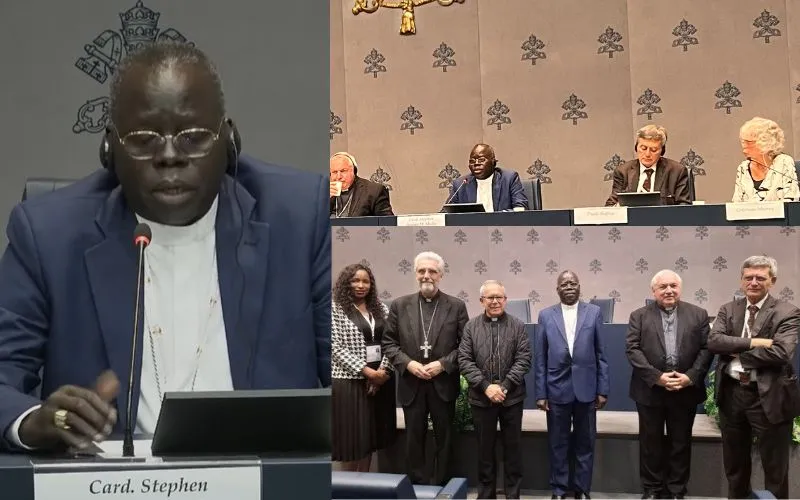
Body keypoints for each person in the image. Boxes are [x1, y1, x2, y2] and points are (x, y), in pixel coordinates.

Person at [0, 42, 331, 453]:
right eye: (143, 138)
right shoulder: (49, 233)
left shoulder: (298, 219)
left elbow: (346, 378)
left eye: (193, 137)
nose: (170, 156)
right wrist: (34, 422)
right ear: (109, 148)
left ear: (229, 140)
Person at [708, 256, 800, 499]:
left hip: (769, 397)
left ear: (772, 281)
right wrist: (756, 342)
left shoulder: (787, 311)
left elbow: (781, 351)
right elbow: (714, 341)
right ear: (741, 280)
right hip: (732, 395)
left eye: (761, 278)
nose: (754, 282)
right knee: (735, 466)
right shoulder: (728, 309)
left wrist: (737, 354)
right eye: (749, 277)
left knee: (775, 469)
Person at [382, 251, 468, 486]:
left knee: (446, 439)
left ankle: (443, 485)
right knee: (413, 439)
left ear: (441, 275)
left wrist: (442, 364)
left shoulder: (456, 306)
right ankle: (416, 486)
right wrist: (408, 364)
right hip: (413, 384)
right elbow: (389, 343)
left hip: (443, 384)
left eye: (432, 271)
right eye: (422, 271)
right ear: (415, 274)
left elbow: (465, 346)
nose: (426, 275)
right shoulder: (400, 305)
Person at [625, 270, 713, 499]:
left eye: (673, 285)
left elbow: (706, 349)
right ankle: (652, 489)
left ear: (680, 288)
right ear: (653, 291)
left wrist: (691, 376)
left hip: (685, 390)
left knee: (680, 442)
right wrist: (657, 377)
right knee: (650, 443)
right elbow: (632, 350)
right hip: (650, 390)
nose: (668, 290)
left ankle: (676, 490)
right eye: (662, 286)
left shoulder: (699, 314)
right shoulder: (639, 316)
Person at [535, 270, 609, 500]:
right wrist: (541, 392)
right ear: (557, 289)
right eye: (564, 284)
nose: (569, 287)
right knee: (558, 443)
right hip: (556, 388)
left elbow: (601, 354)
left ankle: (582, 489)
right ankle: (559, 489)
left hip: (586, 388)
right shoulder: (546, 315)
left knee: (585, 443)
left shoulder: (594, 312)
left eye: (573, 283)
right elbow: (541, 357)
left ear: (580, 287)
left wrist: (602, 389)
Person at [458, 280, 531, 499]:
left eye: (499, 297)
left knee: (513, 451)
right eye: (490, 298)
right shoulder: (471, 327)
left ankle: (513, 494)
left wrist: (505, 386)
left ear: (506, 300)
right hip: (481, 399)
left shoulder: (518, 325)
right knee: (484, 452)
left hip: (512, 399)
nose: (495, 301)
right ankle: (486, 495)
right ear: (482, 301)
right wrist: (486, 387)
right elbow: (464, 360)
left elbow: (524, 359)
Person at [331, 263, 396, 472]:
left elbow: (391, 341)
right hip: (349, 382)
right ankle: (347, 490)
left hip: (379, 381)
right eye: (355, 280)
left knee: (370, 439)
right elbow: (334, 346)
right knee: (351, 441)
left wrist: (382, 373)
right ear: (346, 283)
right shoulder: (334, 308)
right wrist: (367, 371)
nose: (361, 285)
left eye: (365, 281)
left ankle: (364, 486)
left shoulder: (381, 308)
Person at [605, 125, 691, 206]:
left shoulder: (677, 172)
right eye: (643, 148)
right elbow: (611, 205)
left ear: (662, 151)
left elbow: (684, 207)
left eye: (653, 150)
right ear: (636, 148)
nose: (647, 154)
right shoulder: (622, 172)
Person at [732, 117, 800, 202]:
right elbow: (736, 205)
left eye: (748, 142)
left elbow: (792, 200)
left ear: (766, 142)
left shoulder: (784, 162)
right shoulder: (743, 168)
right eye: (743, 142)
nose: (744, 147)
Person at [446, 144, 528, 212]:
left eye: (481, 160)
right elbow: (445, 213)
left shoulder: (509, 178)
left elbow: (520, 209)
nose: (476, 164)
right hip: (472, 230)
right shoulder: (461, 184)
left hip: (503, 228)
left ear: (494, 162)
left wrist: (492, 218)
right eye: (472, 161)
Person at [329, 152, 394, 217]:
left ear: (354, 171)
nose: (338, 176)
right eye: (334, 172)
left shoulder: (375, 191)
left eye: (343, 171)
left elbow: (388, 223)